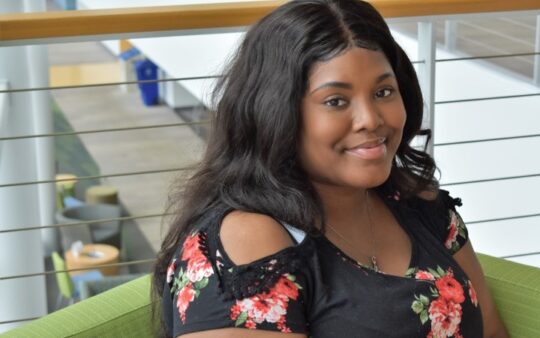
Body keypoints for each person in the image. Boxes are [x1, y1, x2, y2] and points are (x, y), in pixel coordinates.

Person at [153, 0, 509, 337]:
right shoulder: (247, 245)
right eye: (335, 101)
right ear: (276, 114)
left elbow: (491, 332)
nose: (371, 119)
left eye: (384, 92)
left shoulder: (420, 204)